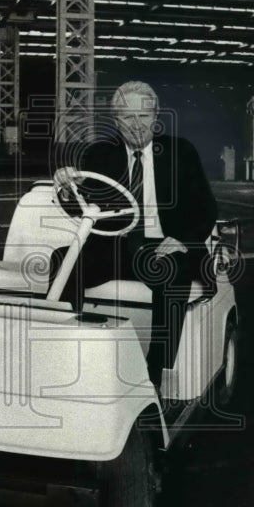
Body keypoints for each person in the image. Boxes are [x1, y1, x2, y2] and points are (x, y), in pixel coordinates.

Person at [54, 81, 218, 391]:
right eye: (127, 117)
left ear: (155, 116)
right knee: (62, 258)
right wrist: (65, 186)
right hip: (115, 246)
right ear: (116, 121)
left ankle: (155, 377)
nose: (136, 124)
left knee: (172, 272)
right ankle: (68, 356)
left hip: (164, 246)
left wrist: (183, 240)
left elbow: (206, 208)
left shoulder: (181, 151)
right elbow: (80, 207)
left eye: (143, 116)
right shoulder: (99, 154)